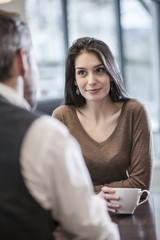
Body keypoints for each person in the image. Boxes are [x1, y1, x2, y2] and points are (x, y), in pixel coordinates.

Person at [0, 11, 120, 240]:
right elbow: (96, 234)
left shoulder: (133, 112)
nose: (91, 80)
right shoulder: (42, 134)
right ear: (22, 61)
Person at [52, 37, 153, 213]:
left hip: (125, 212)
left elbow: (140, 184)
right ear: (74, 79)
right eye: (82, 73)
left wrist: (90, 196)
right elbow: (58, 185)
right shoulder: (61, 117)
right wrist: (92, 200)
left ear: (111, 73)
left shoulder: (135, 111)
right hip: (79, 216)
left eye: (99, 70)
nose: (91, 81)